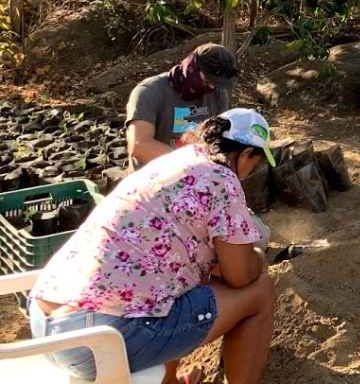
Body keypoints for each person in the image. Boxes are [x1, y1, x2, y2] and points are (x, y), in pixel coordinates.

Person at [29, 109, 278, 384]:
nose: (249, 172)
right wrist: (255, 257)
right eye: (254, 164)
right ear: (244, 155)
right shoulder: (222, 179)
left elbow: (177, 269)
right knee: (260, 289)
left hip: (46, 326)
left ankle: (167, 380)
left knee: (184, 280)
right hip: (101, 341)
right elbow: (239, 275)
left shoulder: (177, 160)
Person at [127, 42, 238, 171]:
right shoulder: (149, 93)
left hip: (197, 178)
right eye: (207, 81)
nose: (212, 87)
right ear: (192, 68)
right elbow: (139, 145)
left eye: (216, 83)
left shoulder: (218, 93)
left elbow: (220, 139)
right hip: (152, 181)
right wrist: (189, 165)